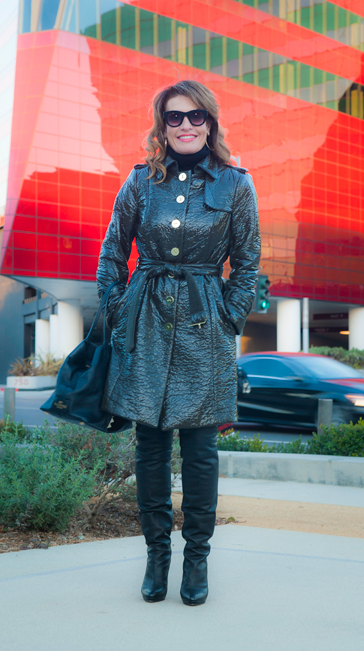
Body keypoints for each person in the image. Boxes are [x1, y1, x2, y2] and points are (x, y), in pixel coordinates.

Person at [96, 79, 261, 606]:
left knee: (201, 452)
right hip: (146, 321)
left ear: (210, 123)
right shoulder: (141, 181)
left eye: (196, 117)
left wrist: (228, 317)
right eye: (174, 117)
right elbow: (111, 255)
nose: (186, 125)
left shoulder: (236, 184)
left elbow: (249, 263)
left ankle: (197, 561)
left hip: (204, 327)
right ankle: (155, 556)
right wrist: (121, 313)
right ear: (161, 125)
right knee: (149, 449)